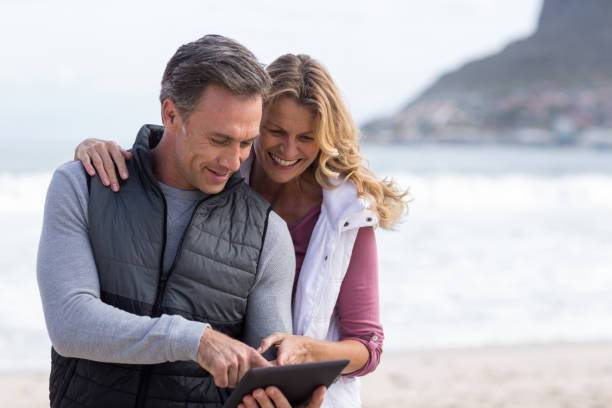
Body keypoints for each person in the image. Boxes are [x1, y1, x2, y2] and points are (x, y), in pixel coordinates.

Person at [76, 53, 409, 408]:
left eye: (307, 137)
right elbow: (174, 153)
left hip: (311, 397)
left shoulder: (348, 215)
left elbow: (369, 346)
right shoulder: (221, 175)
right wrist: (94, 150)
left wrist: (307, 349)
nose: (288, 150)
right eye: (276, 131)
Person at [38, 35, 325, 408]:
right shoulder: (83, 186)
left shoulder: (267, 233)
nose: (233, 161)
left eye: (245, 143)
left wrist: (283, 399)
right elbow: (69, 323)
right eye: (219, 139)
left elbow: (265, 368)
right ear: (171, 114)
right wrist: (196, 340)